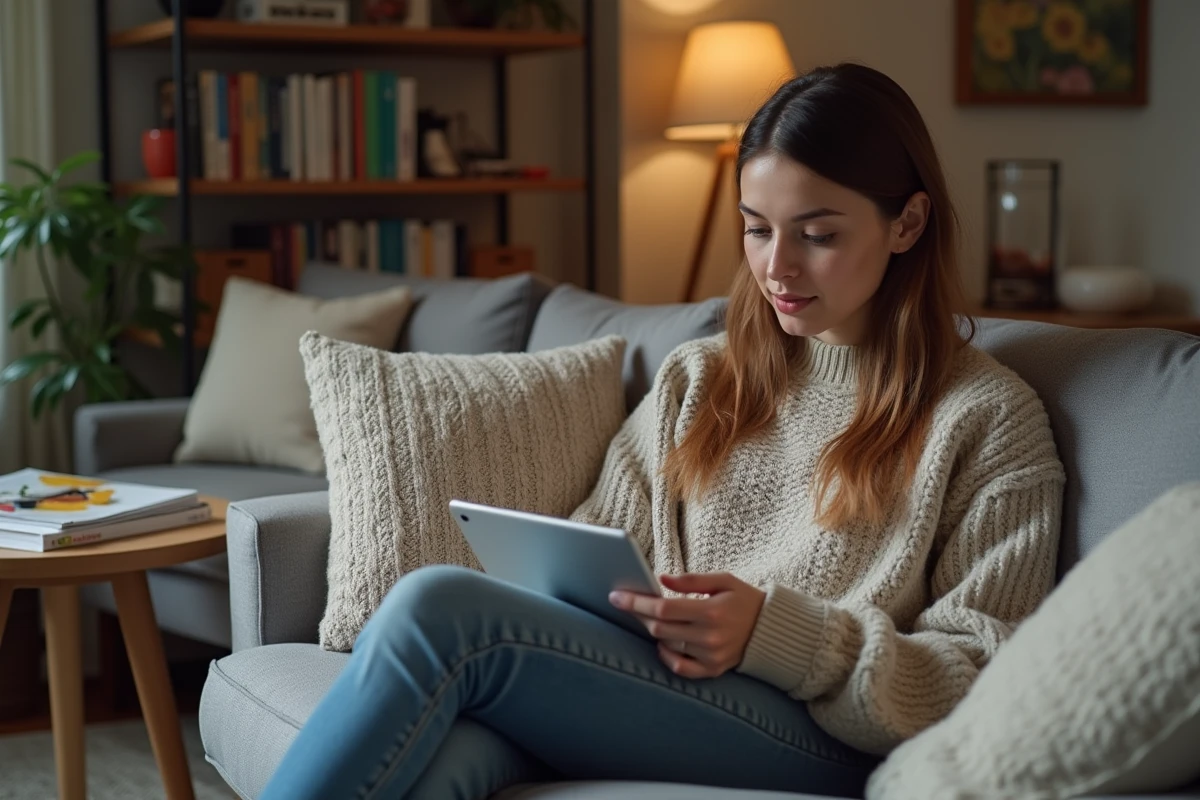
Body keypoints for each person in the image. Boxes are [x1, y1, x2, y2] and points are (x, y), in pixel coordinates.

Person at [259, 63, 1065, 800]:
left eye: (817, 234)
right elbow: (597, 540)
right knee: (449, 761)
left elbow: (983, 676)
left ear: (908, 224)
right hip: (658, 687)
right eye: (757, 228)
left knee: (438, 605)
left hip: (827, 734)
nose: (777, 267)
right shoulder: (701, 378)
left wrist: (777, 635)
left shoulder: (988, 419)